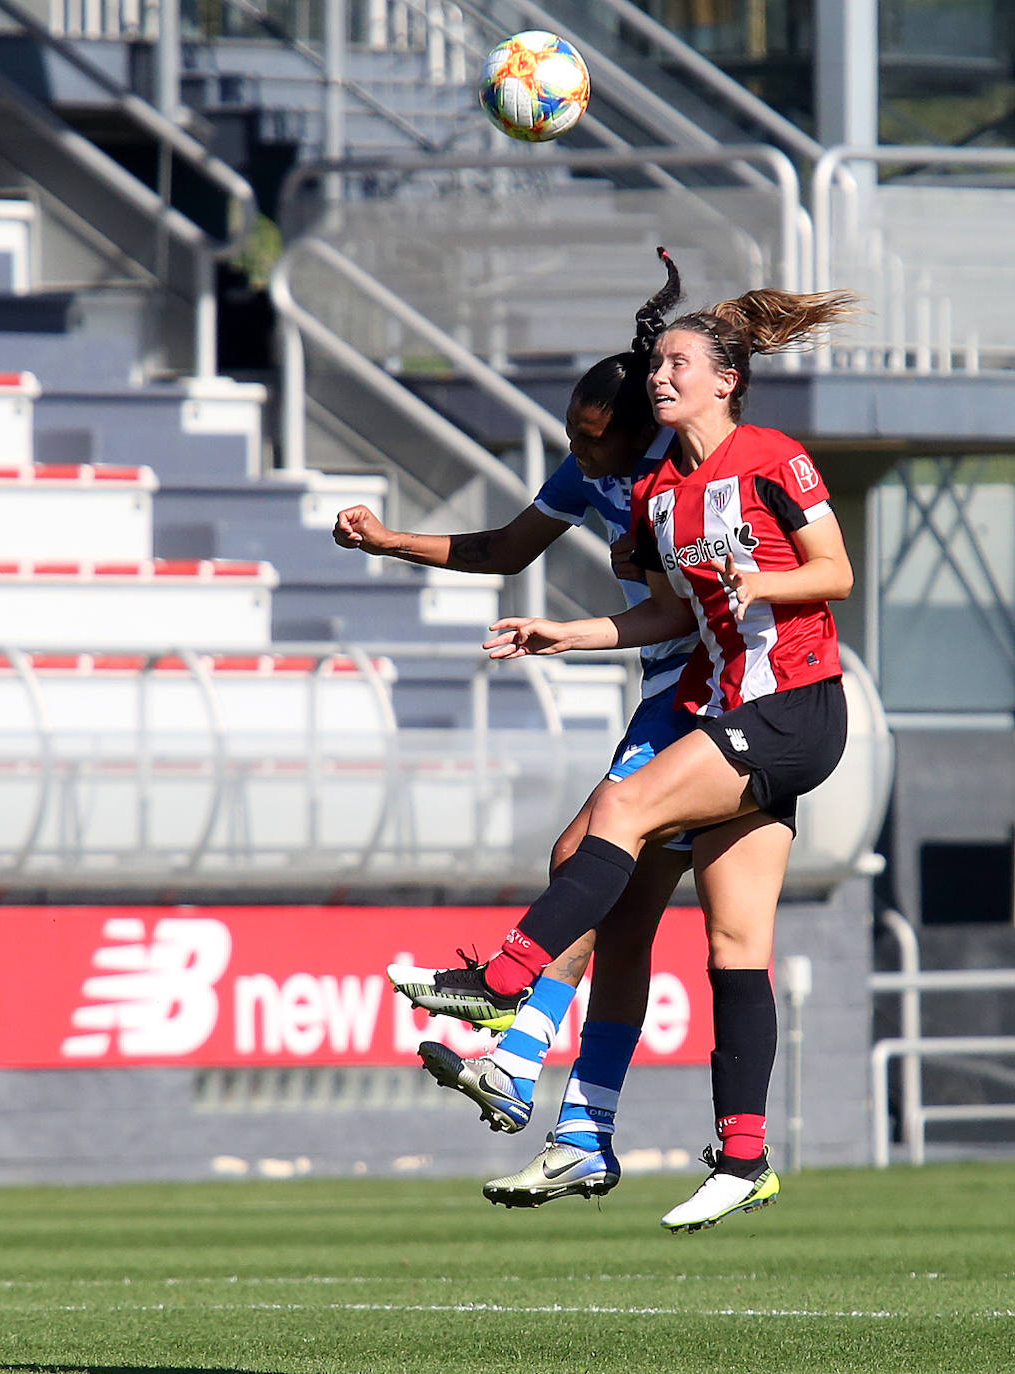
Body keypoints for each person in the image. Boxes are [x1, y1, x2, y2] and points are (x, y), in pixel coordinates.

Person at [401, 285, 858, 1232]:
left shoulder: (774, 458)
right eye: (658, 366)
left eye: (676, 367)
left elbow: (836, 573)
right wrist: (564, 635)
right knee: (735, 947)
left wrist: (760, 576)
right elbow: (662, 613)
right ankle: (742, 1157)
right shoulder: (656, 496)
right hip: (741, 712)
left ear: (725, 382)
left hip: (796, 706)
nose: (661, 378)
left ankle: (502, 986)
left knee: (616, 816)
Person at [336, 250, 701, 1207]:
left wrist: (579, 629)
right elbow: (504, 549)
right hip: (665, 688)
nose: (579, 456)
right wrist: (389, 540)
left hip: (714, 696)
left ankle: (518, 1038)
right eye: (572, 437)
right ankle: (562, 1109)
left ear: (637, 432)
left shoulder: (685, 472)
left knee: (588, 854)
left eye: (593, 441)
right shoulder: (594, 476)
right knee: (612, 912)